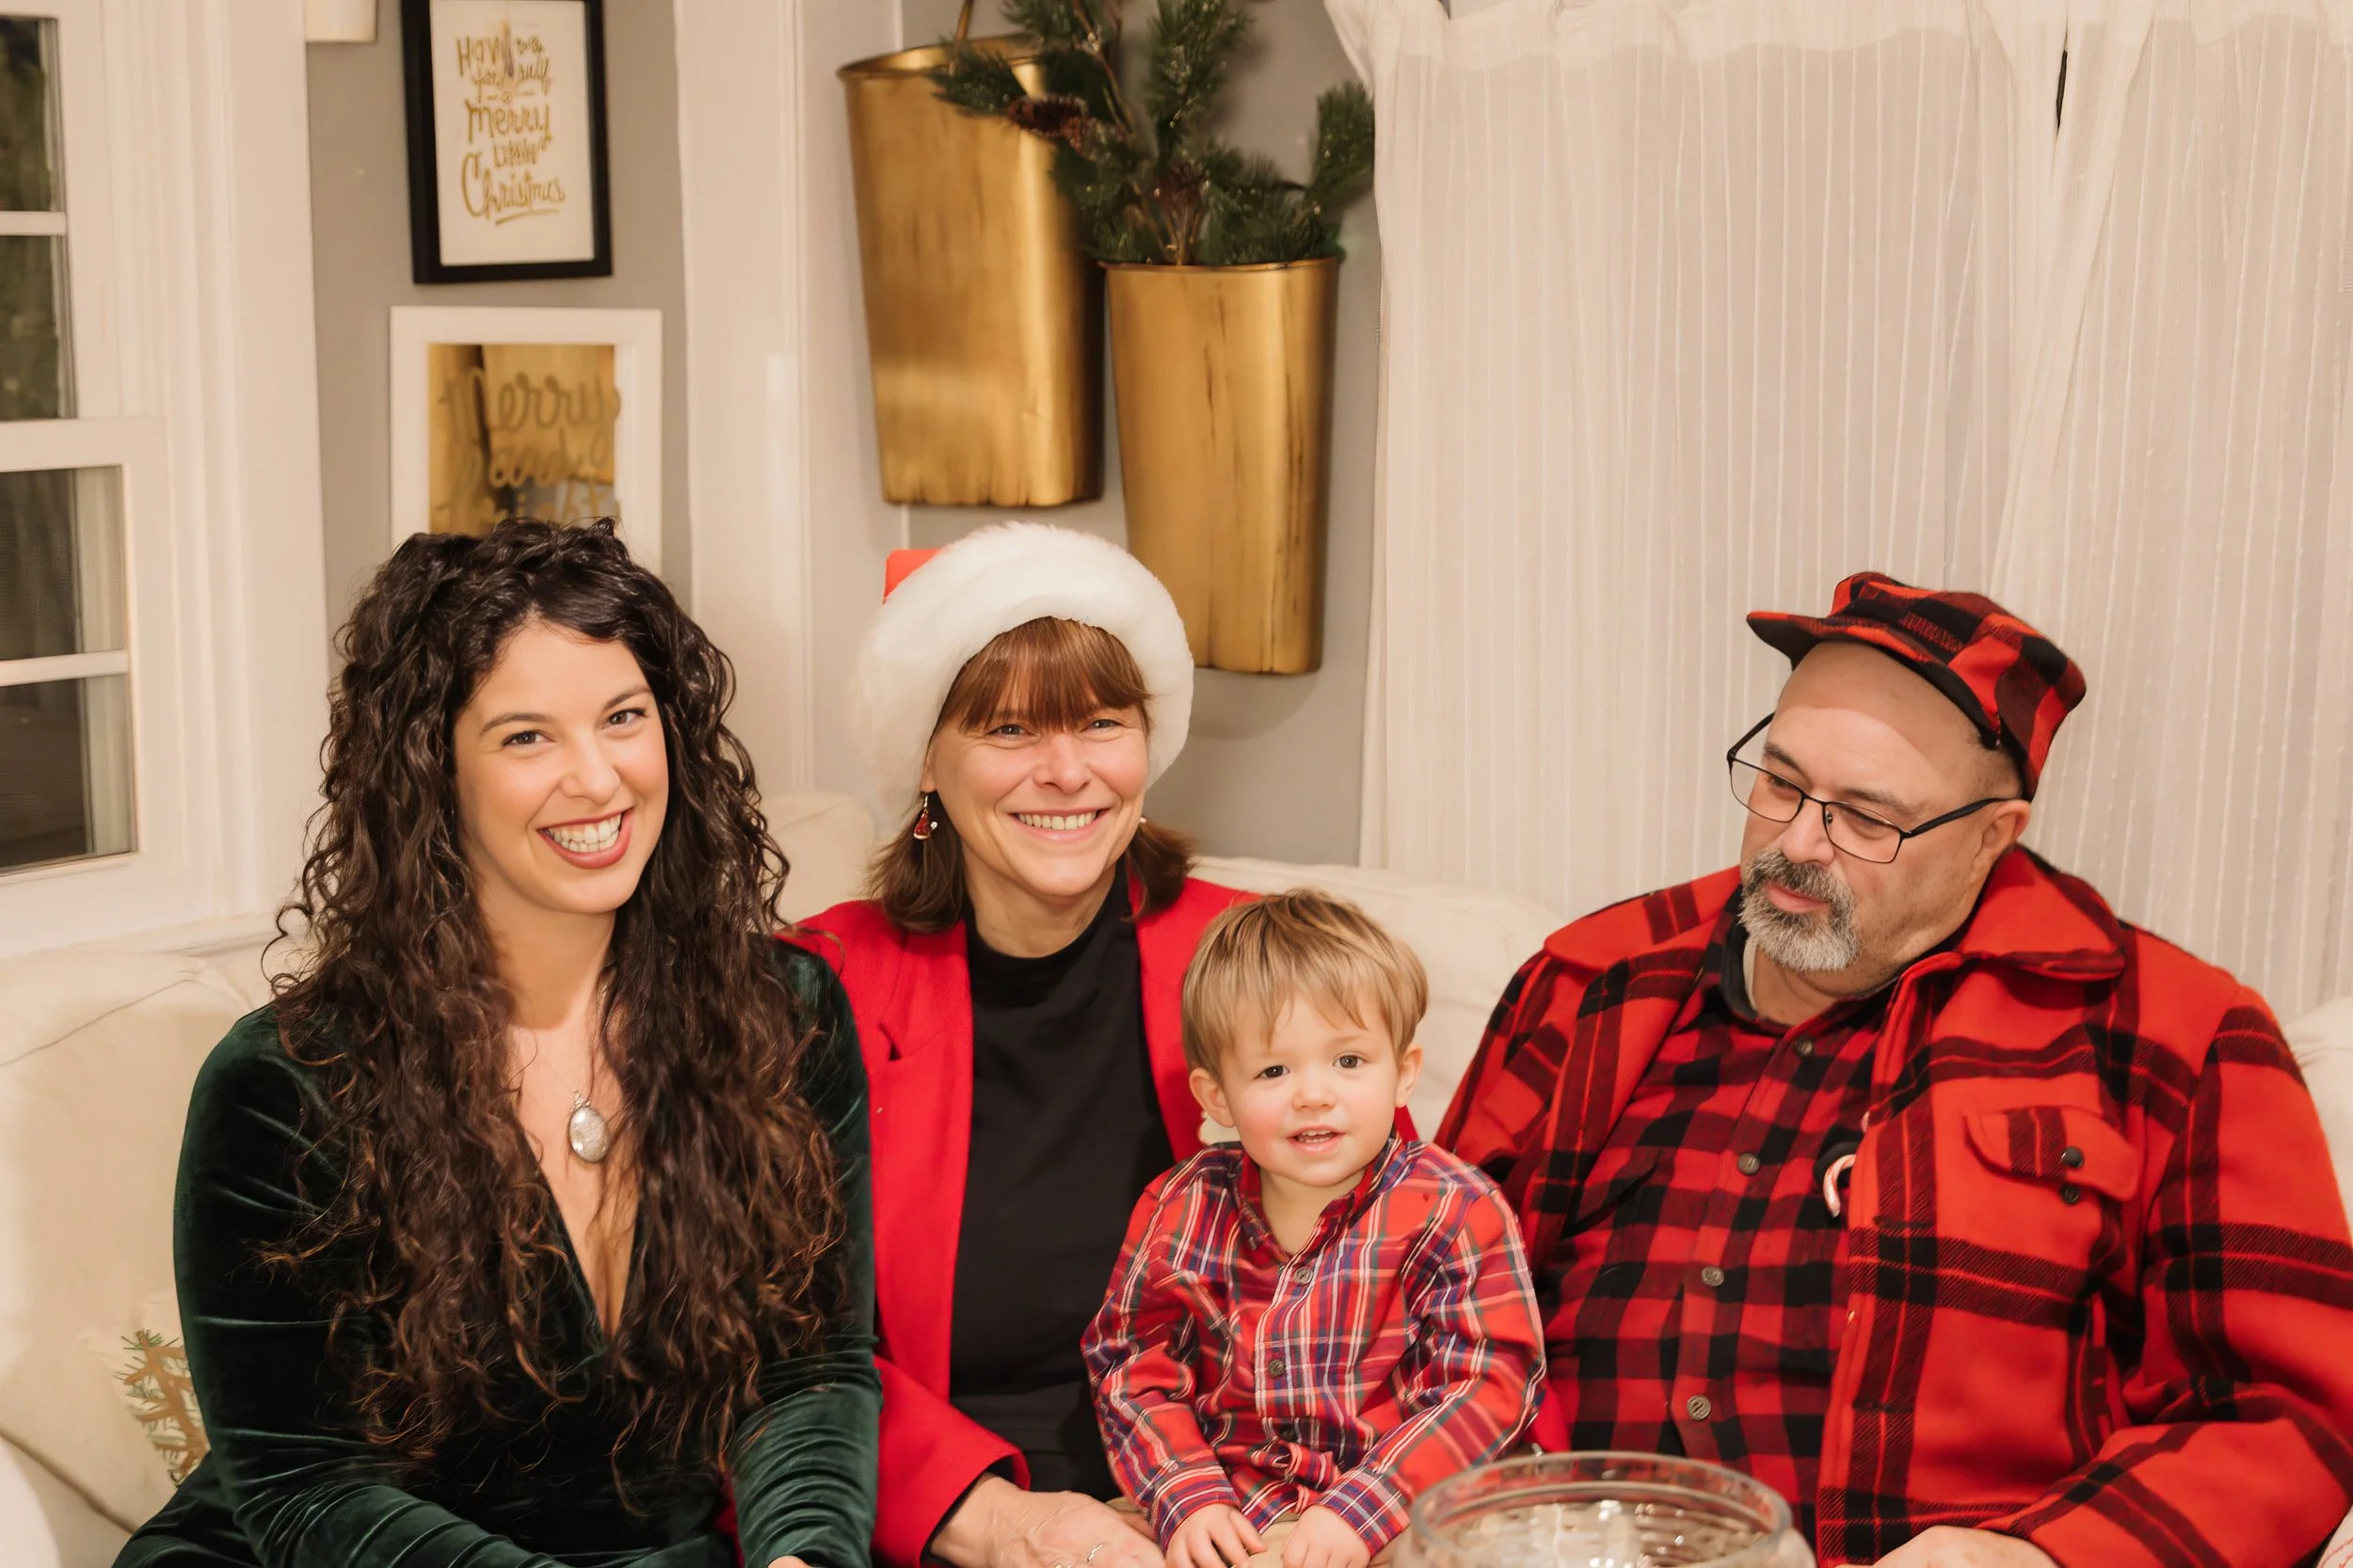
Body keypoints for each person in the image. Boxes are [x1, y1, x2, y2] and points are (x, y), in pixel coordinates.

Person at [1441, 572, 2353, 1568]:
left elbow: (2292, 1415)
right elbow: (1406, 1281)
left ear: (1993, 836)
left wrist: (2033, 1558)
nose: (1797, 844)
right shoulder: (1591, 977)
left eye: (1867, 818)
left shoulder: (2178, 1034)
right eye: (1781, 782)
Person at [118, 520, 877, 1568]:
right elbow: (307, 1490)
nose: (597, 778)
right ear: (432, 772)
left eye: (623, 718)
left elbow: (809, 1368)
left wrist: (805, 1556)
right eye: (527, 737)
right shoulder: (286, 1087)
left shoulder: (782, 1017)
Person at [796, 522, 1251, 1568]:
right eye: (1008, 729)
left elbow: (1396, 1259)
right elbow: (763, 1350)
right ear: (926, 760)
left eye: (1100, 721)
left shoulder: (1255, 959)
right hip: (942, 1523)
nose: (1066, 771)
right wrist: (1006, 1524)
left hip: (1228, 1513)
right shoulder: (813, 990)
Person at [1084, 891, 1545, 1568]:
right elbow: (1132, 1366)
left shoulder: (1455, 1208)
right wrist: (1187, 1495)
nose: (1314, 1094)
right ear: (1217, 1097)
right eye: (1273, 1070)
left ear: (1402, 1075)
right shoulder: (1182, 1205)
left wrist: (1363, 1510)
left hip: (1405, 1502)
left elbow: (1488, 1384)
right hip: (1233, 1506)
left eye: (1348, 1061)